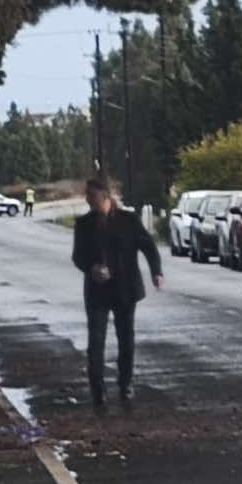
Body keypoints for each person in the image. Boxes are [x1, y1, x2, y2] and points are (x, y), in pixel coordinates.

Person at [71, 173, 164, 406]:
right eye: (86, 195)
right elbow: (78, 255)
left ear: (104, 195)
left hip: (125, 288)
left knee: (126, 339)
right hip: (97, 290)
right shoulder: (84, 225)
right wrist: (91, 268)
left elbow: (148, 246)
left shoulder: (128, 220)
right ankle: (98, 389)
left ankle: (125, 383)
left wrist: (157, 272)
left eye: (91, 195)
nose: (87, 200)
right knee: (96, 339)